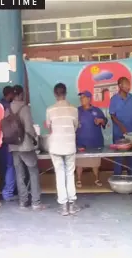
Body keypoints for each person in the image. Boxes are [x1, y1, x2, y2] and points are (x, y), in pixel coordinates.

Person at [46, 83, 79, 216]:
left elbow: (49, 127)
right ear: (66, 93)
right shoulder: (74, 109)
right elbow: (76, 126)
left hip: (55, 146)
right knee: (70, 174)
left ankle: (63, 207)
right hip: (70, 145)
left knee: (60, 174)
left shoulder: (50, 110)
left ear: (55, 94)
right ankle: (72, 205)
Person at [9, 85, 44, 210]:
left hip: (13, 146)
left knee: (19, 174)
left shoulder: (8, 108)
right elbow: (29, 128)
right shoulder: (25, 108)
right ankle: (36, 202)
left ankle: (23, 201)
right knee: (33, 171)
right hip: (25, 146)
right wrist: (35, 138)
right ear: (20, 94)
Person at [75, 91, 107, 188]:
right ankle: (79, 180)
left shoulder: (96, 110)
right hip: (81, 142)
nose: (81, 99)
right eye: (80, 98)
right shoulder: (77, 111)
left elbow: (105, 120)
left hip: (95, 142)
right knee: (79, 163)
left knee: (95, 163)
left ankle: (96, 179)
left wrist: (101, 121)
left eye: (83, 97)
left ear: (89, 99)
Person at [109, 77, 132, 176]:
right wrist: (121, 126)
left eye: (129, 84)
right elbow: (112, 115)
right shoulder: (114, 99)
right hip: (119, 133)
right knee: (119, 157)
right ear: (120, 86)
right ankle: (117, 177)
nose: (128, 86)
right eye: (126, 84)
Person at [0, 86, 17, 201]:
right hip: (8, 140)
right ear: (9, 94)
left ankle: (3, 187)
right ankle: (9, 191)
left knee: (2, 165)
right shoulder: (8, 107)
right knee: (10, 166)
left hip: (0, 140)